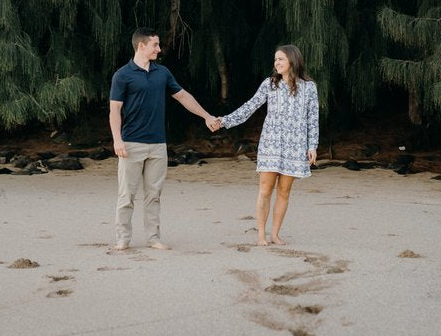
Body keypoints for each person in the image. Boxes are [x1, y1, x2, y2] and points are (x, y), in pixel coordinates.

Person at [109, 27, 218, 251]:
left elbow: (183, 96)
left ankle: (153, 238)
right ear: (141, 46)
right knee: (126, 195)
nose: (159, 49)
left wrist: (206, 116)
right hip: (131, 144)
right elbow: (114, 110)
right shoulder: (122, 75)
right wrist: (117, 140)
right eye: (155, 45)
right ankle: (123, 239)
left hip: (158, 144)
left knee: (153, 195)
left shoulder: (162, 73)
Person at [212, 45, 319, 246]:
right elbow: (249, 107)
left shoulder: (309, 87)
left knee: (284, 191)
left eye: (280, 59)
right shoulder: (269, 84)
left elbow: (312, 118)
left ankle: (275, 234)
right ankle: (261, 234)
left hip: (295, 147)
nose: (276, 63)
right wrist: (224, 121)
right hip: (271, 144)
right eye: (275, 59)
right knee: (265, 189)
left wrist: (312, 145)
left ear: (292, 61)